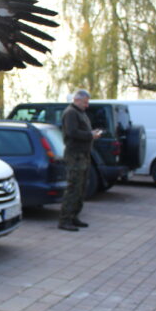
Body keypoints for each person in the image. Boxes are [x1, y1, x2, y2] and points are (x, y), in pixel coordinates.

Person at [58, 89, 102, 231]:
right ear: (77, 100)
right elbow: (72, 132)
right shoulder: (70, 113)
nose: (87, 105)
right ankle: (65, 220)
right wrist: (90, 135)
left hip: (83, 155)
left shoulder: (80, 112)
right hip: (75, 155)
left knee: (81, 188)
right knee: (73, 187)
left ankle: (74, 216)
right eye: (85, 102)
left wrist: (91, 133)